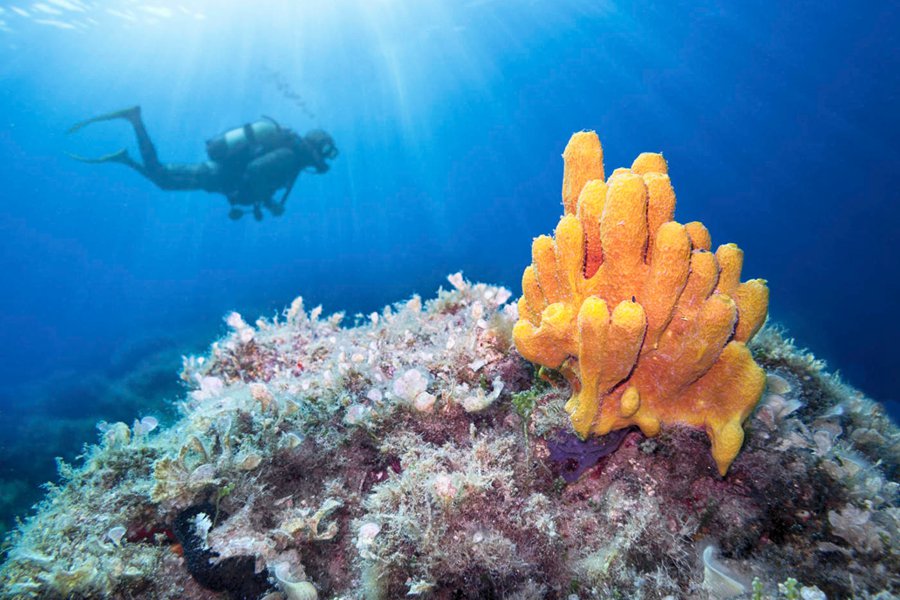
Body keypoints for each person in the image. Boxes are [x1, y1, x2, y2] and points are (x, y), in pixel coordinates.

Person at [67, 106, 338, 220]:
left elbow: (260, 174)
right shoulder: (290, 157)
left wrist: (266, 202)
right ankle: (135, 120)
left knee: (162, 181)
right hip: (215, 175)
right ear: (316, 148)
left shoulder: (292, 158)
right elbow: (256, 170)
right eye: (325, 152)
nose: (323, 160)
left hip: (217, 178)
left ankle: (125, 158)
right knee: (160, 175)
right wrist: (261, 199)